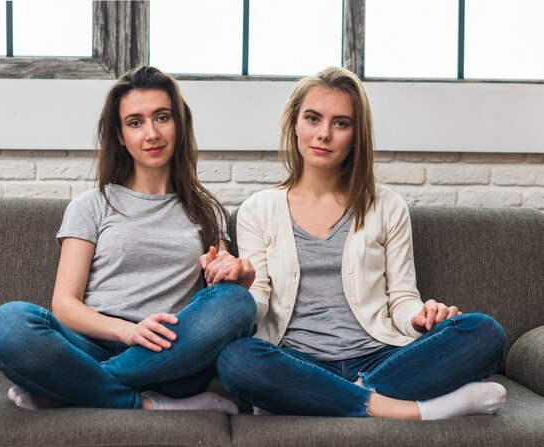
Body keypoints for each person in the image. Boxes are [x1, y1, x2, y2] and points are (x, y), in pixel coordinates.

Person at [208, 66, 507, 419]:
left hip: (381, 355)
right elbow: (258, 302)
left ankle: (316, 399)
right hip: (296, 358)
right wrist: (238, 290)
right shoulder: (258, 210)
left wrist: (422, 317)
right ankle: (410, 410)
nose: (324, 134)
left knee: (485, 332)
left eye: (340, 123)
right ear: (295, 124)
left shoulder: (387, 205)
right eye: (313, 118)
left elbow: (402, 299)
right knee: (235, 359)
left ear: (356, 134)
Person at [0, 66, 256, 412]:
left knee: (238, 302)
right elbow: (65, 305)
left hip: (169, 356)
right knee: (7, 324)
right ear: (119, 135)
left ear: (179, 125)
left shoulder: (207, 212)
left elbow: (219, 296)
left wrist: (233, 275)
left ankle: (70, 387)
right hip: (89, 344)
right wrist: (127, 332)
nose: (152, 133)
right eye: (135, 122)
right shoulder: (91, 205)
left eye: (162, 117)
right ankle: (144, 404)